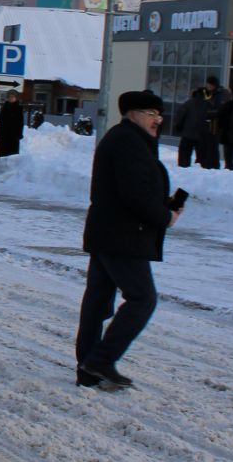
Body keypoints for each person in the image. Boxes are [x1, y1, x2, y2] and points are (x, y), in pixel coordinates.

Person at [76, 90, 180, 390]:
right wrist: (165, 217)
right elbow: (135, 194)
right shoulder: (127, 142)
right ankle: (100, 360)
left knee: (98, 303)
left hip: (110, 232)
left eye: (159, 114)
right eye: (151, 113)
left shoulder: (127, 139)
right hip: (122, 235)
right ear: (132, 113)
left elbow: (137, 188)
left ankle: (89, 368)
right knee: (142, 299)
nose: (158, 119)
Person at [175, 79, 220, 169]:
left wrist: (178, 126)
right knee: (203, 155)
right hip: (203, 134)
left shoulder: (189, 103)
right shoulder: (210, 105)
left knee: (185, 154)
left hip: (188, 133)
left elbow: (180, 115)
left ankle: (183, 168)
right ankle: (205, 168)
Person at [0, 91, 25, 159]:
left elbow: (20, 123)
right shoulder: (5, 107)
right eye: (9, 97)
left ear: (16, 98)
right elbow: (0, 120)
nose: (11, 98)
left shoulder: (18, 108)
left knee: (11, 155)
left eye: (13, 97)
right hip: (3, 135)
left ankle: (10, 168)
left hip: (13, 135)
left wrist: (19, 134)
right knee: (2, 154)